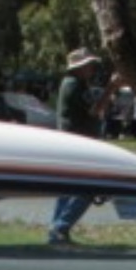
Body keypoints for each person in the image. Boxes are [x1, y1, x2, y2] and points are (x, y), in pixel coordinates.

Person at [48, 48, 112, 245]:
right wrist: (112, 88)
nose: (92, 68)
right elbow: (94, 112)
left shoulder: (73, 84)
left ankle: (57, 229)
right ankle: (61, 226)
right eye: (89, 65)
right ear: (80, 67)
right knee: (88, 187)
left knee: (68, 188)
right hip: (78, 144)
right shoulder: (75, 85)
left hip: (72, 143)